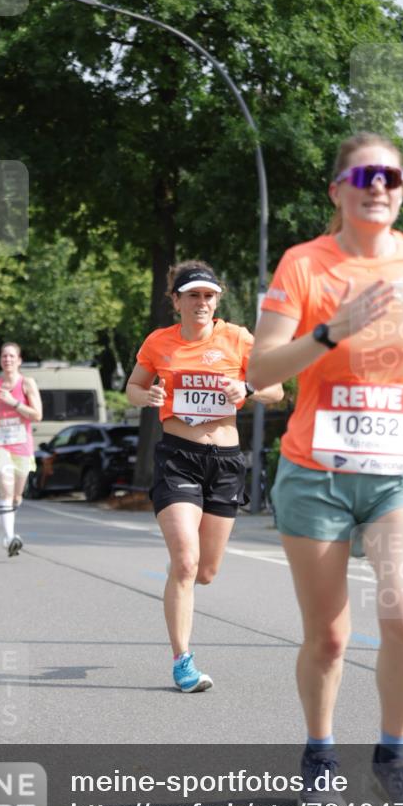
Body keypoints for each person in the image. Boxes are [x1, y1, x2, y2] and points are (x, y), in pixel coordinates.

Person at [247, 132, 403, 806]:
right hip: (314, 473)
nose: (379, 186)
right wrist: (326, 334)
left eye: (392, 177)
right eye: (363, 175)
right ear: (336, 189)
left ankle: (394, 761)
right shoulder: (304, 264)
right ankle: (319, 756)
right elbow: (258, 373)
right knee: (330, 638)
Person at [126, 261, 283, 693]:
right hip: (178, 456)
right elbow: (133, 387)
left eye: (209, 296)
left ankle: (183, 573)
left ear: (218, 299)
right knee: (186, 562)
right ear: (175, 300)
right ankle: (183, 661)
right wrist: (148, 394)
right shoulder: (160, 343)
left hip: (227, 461)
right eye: (192, 295)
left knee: (206, 571)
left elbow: (277, 389)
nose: (201, 303)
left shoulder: (237, 338)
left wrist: (247, 390)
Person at [0, 342, 42, 557]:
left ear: (19, 360)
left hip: (22, 445)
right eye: (4, 356)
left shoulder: (27, 384)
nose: (8, 360)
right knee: (5, 486)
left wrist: (14, 402)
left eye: (12, 356)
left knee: (16, 496)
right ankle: (10, 538)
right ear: (0, 360)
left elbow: (37, 415)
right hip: (0, 443)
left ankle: (4, 529)